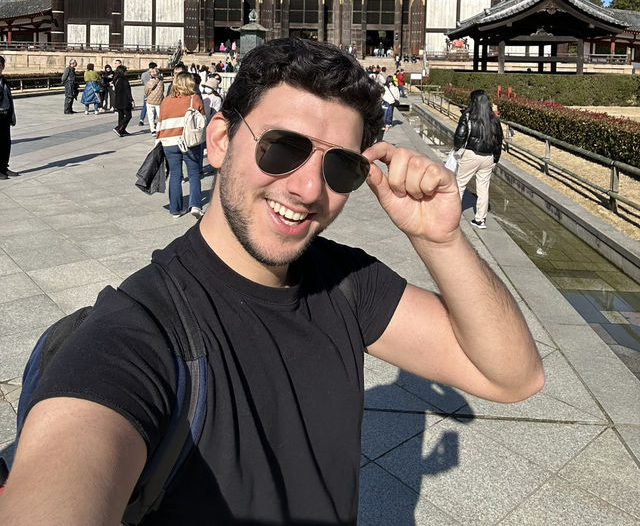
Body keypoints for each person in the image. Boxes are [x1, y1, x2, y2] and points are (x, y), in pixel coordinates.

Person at [0, 39, 543, 525]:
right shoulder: (135, 336)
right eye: (282, 147)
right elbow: (65, 470)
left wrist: (440, 239)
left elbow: (513, 377)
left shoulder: (346, 282)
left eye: (339, 169)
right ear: (218, 140)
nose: (308, 188)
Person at [155, 72, 205, 218]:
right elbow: (202, 121)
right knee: (194, 174)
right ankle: (195, 205)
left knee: (175, 174)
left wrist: (158, 141)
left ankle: (175, 209)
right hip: (189, 141)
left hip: (169, 142)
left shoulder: (166, 101)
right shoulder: (194, 99)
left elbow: (160, 123)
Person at [453, 89, 503, 230]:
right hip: (488, 157)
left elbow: (460, 136)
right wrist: (495, 159)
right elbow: (499, 141)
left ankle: (453, 215)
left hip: (471, 154)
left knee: (460, 184)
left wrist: (457, 148)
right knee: (483, 187)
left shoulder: (468, 116)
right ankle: (480, 219)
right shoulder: (494, 119)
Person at [0, 55, 18, 180]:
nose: (1, 68)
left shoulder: (3, 80)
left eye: (2, 66)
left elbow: (9, 99)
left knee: (6, 143)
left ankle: (4, 167)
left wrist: (12, 115)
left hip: (5, 115)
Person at [113, 65, 135, 137]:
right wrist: (131, 100)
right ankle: (119, 128)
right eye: (125, 70)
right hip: (124, 101)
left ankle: (122, 130)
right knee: (128, 115)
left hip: (118, 100)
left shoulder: (116, 79)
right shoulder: (124, 79)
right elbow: (127, 91)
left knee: (121, 115)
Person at [143, 67, 165, 134]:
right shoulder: (161, 82)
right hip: (159, 101)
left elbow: (146, 92)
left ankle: (153, 130)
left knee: (151, 116)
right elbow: (163, 90)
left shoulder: (149, 83)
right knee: (160, 115)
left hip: (150, 101)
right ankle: (160, 128)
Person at [138, 61, 157, 127]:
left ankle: (141, 120)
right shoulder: (155, 74)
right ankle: (153, 120)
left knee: (145, 107)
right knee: (154, 107)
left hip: (146, 92)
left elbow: (142, 82)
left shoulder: (143, 74)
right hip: (154, 93)